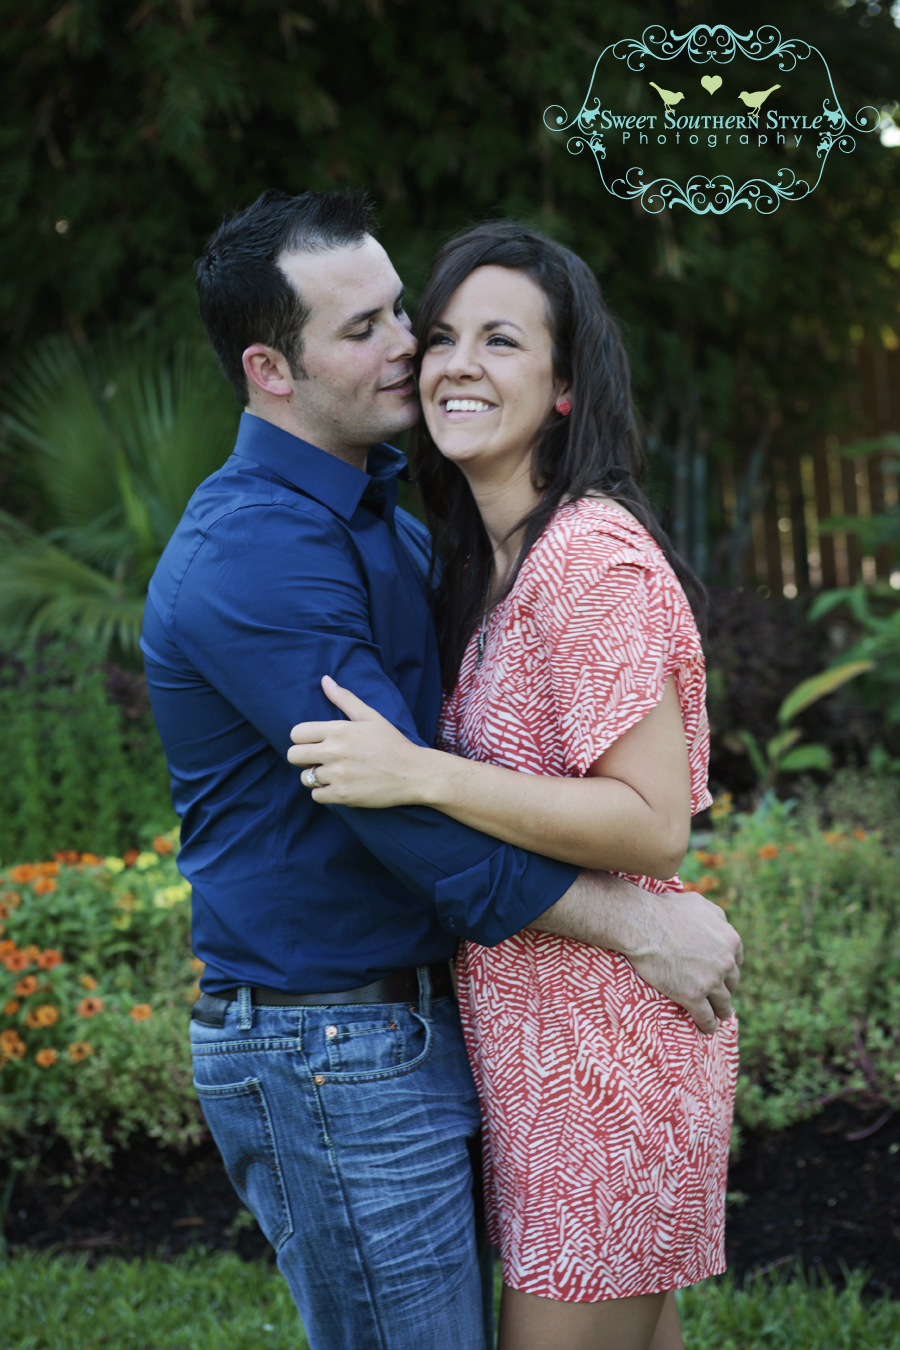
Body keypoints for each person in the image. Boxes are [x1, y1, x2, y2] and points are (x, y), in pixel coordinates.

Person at [141, 190, 742, 1350]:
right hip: (334, 1042)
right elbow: (399, 816)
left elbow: (431, 778)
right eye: (364, 328)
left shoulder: (411, 530)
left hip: (472, 1031)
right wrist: (633, 923)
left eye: (400, 312)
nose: (411, 347)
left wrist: (430, 776)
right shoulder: (257, 553)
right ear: (270, 368)